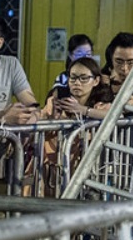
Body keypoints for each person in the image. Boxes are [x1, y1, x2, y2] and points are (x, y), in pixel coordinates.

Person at [28, 56, 113, 196]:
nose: (77, 83)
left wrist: (83, 110)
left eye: (84, 78)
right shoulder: (57, 100)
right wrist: (51, 118)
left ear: (96, 81)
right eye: (72, 78)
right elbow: (41, 118)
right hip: (52, 166)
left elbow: (117, 116)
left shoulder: (101, 103)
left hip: (85, 168)